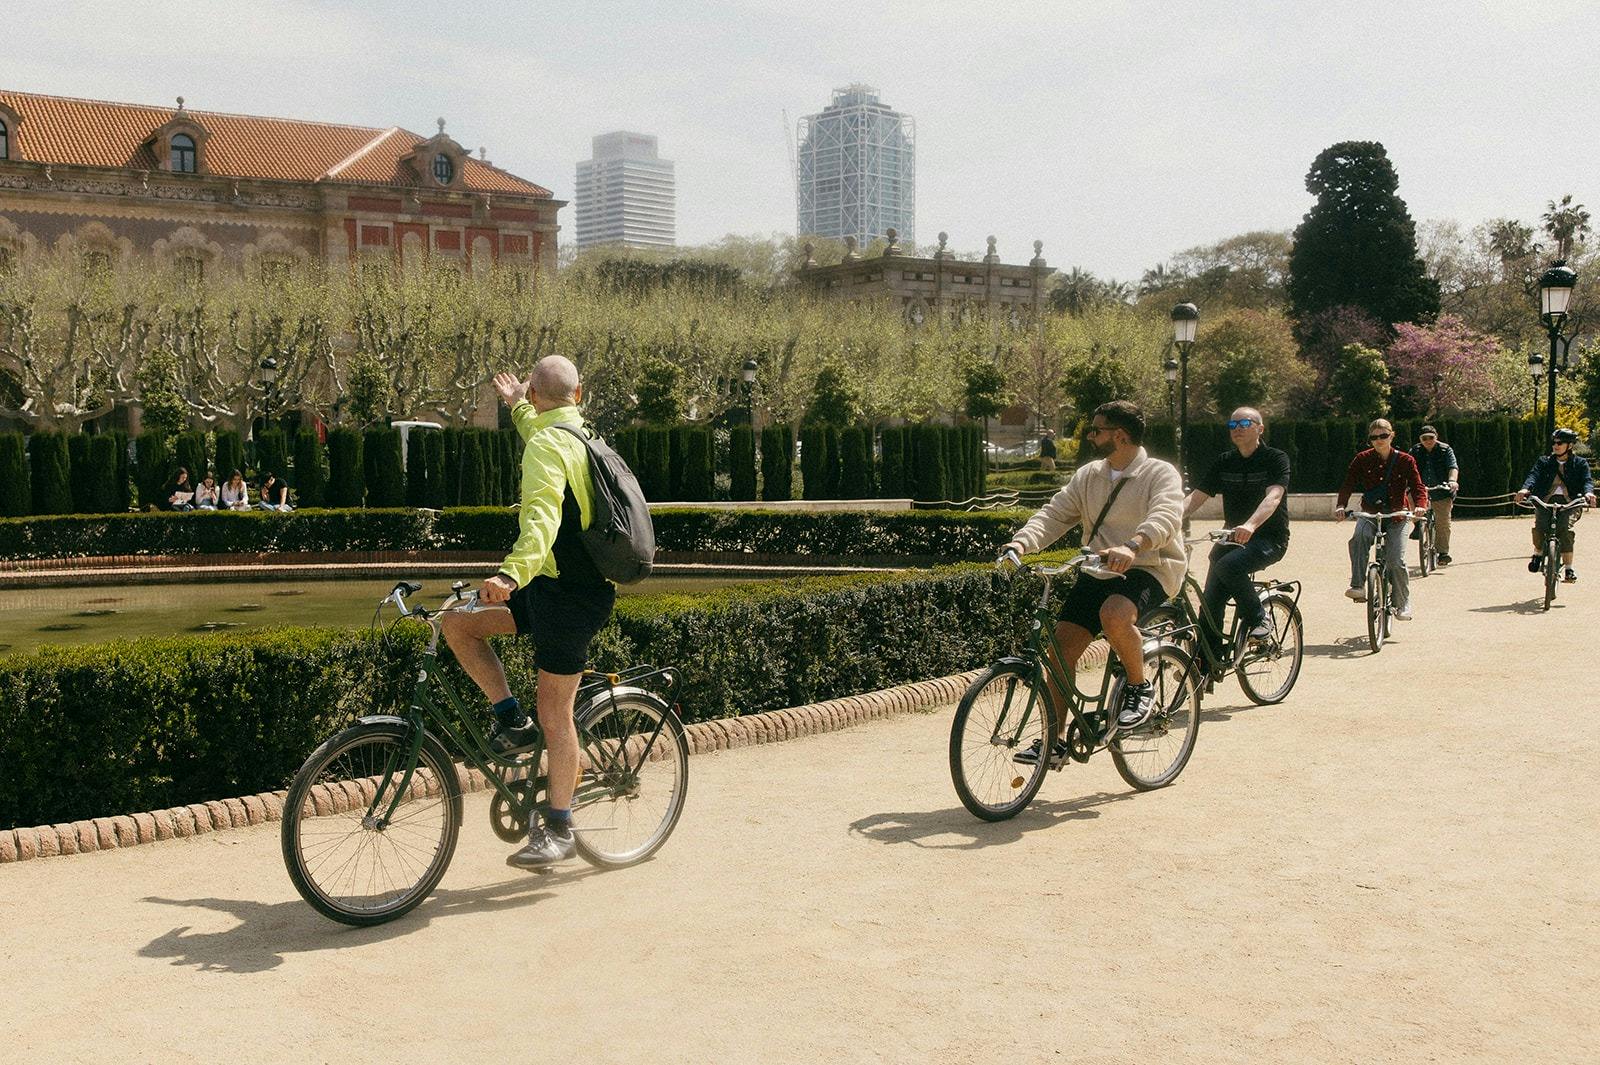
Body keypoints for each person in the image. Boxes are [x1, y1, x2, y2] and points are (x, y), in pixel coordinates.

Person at [441, 355, 616, 869]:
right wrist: (517, 405)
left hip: (571, 595)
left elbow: (540, 519)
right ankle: (508, 720)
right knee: (458, 624)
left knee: (556, 714)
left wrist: (510, 575)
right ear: (578, 395)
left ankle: (559, 826)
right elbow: (542, 427)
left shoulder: (547, 444)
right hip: (551, 586)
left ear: (541, 398)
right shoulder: (577, 433)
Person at [998, 400, 1184, 760]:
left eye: (1096, 429)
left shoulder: (1160, 474)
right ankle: (1054, 742)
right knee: (1060, 650)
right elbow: (1054, 514)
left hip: (1149, 566)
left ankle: (1139, 685)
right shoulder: (1089, 476)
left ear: (1120, 435)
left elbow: (1166, 515)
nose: (1090, 435)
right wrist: (1021, 542)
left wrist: (1133, 545)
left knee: (1114, 615)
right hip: (1097, 568)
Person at [1179, 407, 1291, 654]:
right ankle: (1207, 659)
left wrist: (1251, 525)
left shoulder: (1275, 458)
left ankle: (1259, 619)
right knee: (1210, 602)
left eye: (1244, 423)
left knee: (1229, 565)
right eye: (1232, 425)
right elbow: (1197, 496)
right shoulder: (1225, 461)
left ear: (1259, 429)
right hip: (1232, 538)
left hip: (1269, 539)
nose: (1237, 429)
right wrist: (1169, 518)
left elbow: (1273, 497)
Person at [1336, 418, 1428, 620]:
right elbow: (1348, 483)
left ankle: (1402, 604)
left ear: (1392, 435)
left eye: (1383, 436)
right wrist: (1341, 505)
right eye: (1374, 437)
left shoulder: (1405, 460)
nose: (1379, 440)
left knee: (1396, 560)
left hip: (1398, 515)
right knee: (1359, 537)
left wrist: (1421, 505)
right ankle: (1358, 585)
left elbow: (1417, 486)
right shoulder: (1362, 458)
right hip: (1370, 513)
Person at [1515, 427, 1595, 582]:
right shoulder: (1544, 462)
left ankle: (1569, 569)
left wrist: (1589, 493)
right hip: (1545, 500)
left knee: (1565, 529)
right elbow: (1533, 475)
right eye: (1554, 443)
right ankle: (1538, 553)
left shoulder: (1580, 463)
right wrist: (1525, 489)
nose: (1555, 446)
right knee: (1540, 526)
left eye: (1560, 443)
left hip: (1570, 502)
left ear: (1570, 446)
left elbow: (1587, 481)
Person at [1409, 425, 1459, 564]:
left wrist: (1452, 481)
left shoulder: (1445, 449)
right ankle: (1418, 524)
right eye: (1424, 438)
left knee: (1443, 523)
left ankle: (1443, 553)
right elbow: (1407, 468)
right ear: (1420, 439)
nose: (1428, 441)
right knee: (1409, 498)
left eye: (1431, 437)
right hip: (1420, 490)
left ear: (1436, 437)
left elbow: (1453, 467)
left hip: (1441, 490)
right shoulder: (1415, 450)